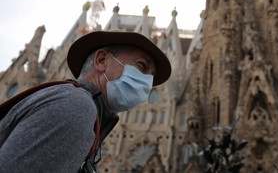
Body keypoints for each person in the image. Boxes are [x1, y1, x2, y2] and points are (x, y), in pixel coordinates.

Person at [0, 30, 171, 172]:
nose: (147, 84)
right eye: (141, 66)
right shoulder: (75, 106)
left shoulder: (77, 105)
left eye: (151, 78)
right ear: (101, 61)